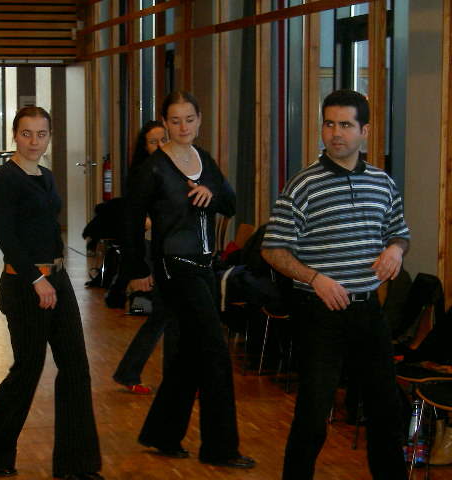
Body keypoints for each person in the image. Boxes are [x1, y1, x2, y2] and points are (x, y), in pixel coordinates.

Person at [261, 89, 410, 479]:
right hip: (320, 313)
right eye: (329, 124)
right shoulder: (303, 185)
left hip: (367, 311)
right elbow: (272, 248)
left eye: (345, 125)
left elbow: (399, 232)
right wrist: (315, 278)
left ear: (365, 131)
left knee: (386, 411)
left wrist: (396, 250)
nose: (336, 133)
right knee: (313, 415)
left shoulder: (382, 182)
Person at [121, 91, 255, 469]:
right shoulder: (153, 169)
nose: (183, 127)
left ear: (199, 120)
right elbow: (130, 221)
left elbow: (230, 203)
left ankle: (162, 433)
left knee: (191, 353)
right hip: (173, 267)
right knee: (215, 351)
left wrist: (212, 192)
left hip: (204, 266)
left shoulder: (204, 159)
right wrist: (137, 270)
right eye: (175, 120)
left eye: (190, 119)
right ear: (165, 123)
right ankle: (220, 448)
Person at [0, 106, 104, 480]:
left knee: (76, 367)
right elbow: (6, 237)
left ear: (49, 136)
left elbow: (47, 229)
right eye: (26, 133)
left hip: (57, 280)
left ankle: (76, 464)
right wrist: (36, 279)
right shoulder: (5, 179)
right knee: (28, 369)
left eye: (41, 134)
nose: (34, 141)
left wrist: (54, 276)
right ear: (14, 135)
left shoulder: (46, 176)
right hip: (24, 284)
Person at [112, 121, 178, 394]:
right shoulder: (143, 175)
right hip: (152, 250)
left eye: (164, 139)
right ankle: (171, 381)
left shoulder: (176, 169)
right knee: (168, 313)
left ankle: (130, 372)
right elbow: (134, 222)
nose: (160, 145)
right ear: (145, 147)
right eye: (153, 142)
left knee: (166, 314)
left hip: (172, 251)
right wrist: (138, 268)